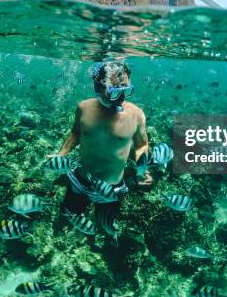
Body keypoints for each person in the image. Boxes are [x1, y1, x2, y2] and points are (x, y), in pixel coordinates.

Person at [50, 60, 153, 227]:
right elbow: (75, 133)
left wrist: (143, 170)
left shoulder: (136, 115)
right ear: (98, 87)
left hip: (112, 190)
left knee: (107, 230)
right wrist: (61, 155)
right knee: (66, 221)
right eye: (114, 92)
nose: (120, 98)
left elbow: (142, 145)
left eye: (125, 91)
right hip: (80, 182)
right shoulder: (83, 107)